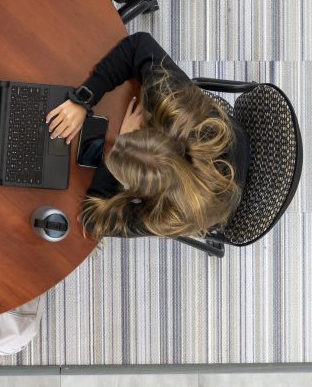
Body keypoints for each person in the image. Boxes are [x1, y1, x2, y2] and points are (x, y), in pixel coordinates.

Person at [44, 32, 249, 239]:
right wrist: (83, 99)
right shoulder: (178, 111)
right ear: (155, 131)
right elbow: (139, 44)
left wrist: (115, 160)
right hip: (225, 137)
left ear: (142, 192)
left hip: (221, 194)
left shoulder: (173, 216)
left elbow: (94, 221)